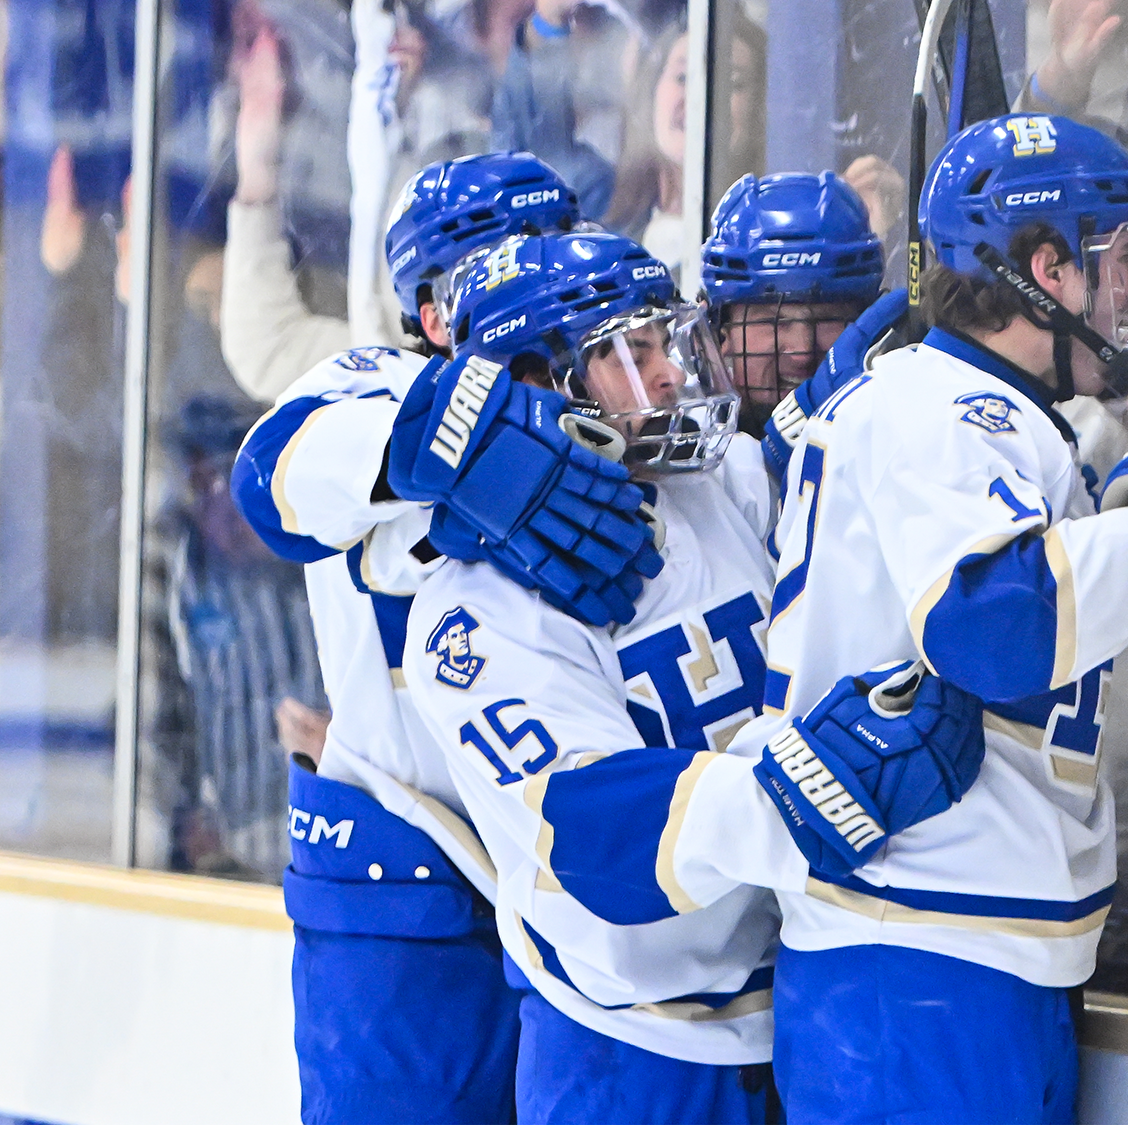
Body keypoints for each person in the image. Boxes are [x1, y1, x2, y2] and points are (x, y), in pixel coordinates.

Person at [731, 112, 1128, 1123]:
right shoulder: (940, 408)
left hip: (962, 961)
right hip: (911, 967)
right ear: (1047, 268)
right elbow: (989, 628)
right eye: (1117, 254)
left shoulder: (990, 415)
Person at [400, 228, 987, 1122]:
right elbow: (594, 831)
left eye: (664, 344)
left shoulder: (712, 485)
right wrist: (804, 793)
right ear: (531, 384)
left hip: (798, 1009)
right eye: (628, 355)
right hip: (630, 1053)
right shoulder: (470, 614)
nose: (670, 376)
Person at [228, 152, 655, 1124]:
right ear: (431, 312)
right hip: (406, 907)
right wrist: (474, 442)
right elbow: (274, 475)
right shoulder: (372, 388)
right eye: (506, 259)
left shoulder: (613, 394)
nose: (540, 278)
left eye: (554, 249)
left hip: (572, 886)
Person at [700, 172, 886, 439]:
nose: (802, 354)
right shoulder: (688, 465)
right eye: (772, 321)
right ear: (719, 333)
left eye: (827, 318)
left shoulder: (896, 446)